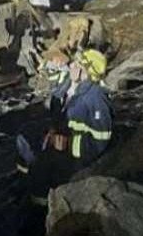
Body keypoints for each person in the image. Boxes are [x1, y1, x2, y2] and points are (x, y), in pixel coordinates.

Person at [17, 49, 113, 200]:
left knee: (41, 173)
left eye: (79, 64)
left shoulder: (95, 98)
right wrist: (53, 130)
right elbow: (57, 97)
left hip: (73, 152)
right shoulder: (72, 82)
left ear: (86, 72)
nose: (73, 64)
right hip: (58, 135)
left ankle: (42, 203)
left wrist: (68, 144)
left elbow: (100, 139)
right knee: (24, 134)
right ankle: (27, 175)